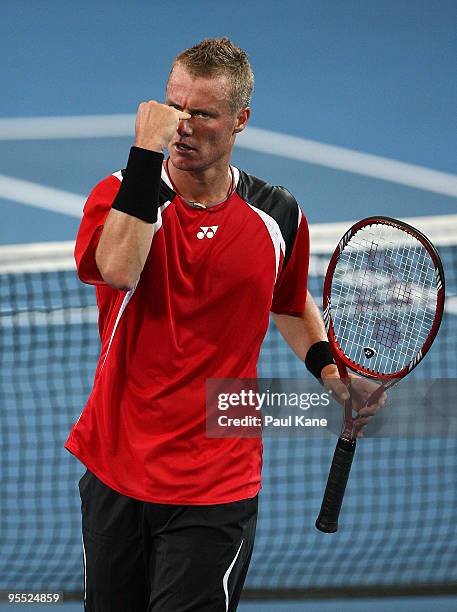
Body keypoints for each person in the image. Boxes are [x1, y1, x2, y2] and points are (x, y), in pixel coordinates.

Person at [66, 37, 383, 612]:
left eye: (201, 113)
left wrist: (331, 372)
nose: (180, 126)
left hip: (215, 484)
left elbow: (288, 303)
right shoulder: (120, 195)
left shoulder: (277, 216)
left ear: (240, 120)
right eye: (173, 107)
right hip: (116, 470)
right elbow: (118, 267)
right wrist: (145, 153)